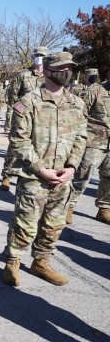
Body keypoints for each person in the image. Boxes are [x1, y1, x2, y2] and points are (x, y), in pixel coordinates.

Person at [1, 52, 87, 287]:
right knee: (25, 224)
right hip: (34, 178)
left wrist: (71, 167)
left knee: (54, 224)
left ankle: (41, 262)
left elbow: (81, 136)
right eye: (62, 68)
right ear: (47, 71)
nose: (66, 72)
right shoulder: (28, 102)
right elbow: (19, 141)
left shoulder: (76, 103)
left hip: (63, 178)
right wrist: (41, 169)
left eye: (70, 68)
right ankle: (13, 261)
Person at [0, 46, 48, 190]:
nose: (39, 57)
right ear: (33, 57)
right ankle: (6, 175)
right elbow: (12, 95)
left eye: (42, 55)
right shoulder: (23, 75)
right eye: (37, 55)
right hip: (22, 117)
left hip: (41, 118)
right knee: (15, 146)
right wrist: (21, 112)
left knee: (36, 147)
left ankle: (30, 176)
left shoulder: (49, 75)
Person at [67, 68, 110, 225]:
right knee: (82, 176)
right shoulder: (94, 91)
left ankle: (104, 209)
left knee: (109, 178)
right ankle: (68, 207)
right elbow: (78, 117)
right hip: (93, 143)